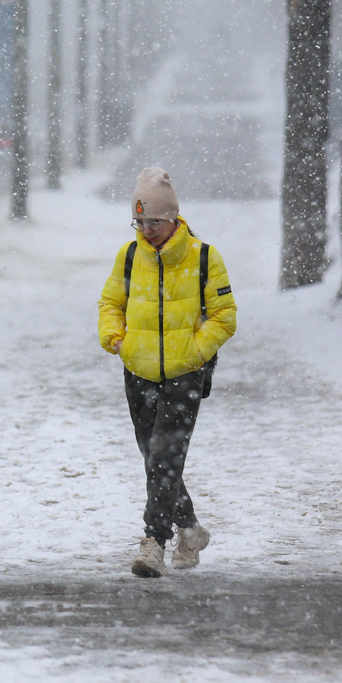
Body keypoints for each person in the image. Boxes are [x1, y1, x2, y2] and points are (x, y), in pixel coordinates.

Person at [98, 167, 237, 577]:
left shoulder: (204, 257)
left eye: (153, 221)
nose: (146, 229)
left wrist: (195, 351)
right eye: (139, 221)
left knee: (164, 459)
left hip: (185, 375)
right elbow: (110, 304)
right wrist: (116, 340)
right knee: (154, 458)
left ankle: (153, 542)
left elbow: (224, 317)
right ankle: (190, 530)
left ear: (174, 218)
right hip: (138, 371)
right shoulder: (128, 256)